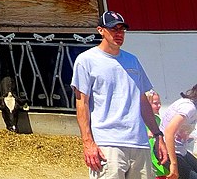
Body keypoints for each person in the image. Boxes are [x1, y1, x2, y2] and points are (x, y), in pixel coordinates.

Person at [71, 10, 168, 178]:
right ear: (100, 30)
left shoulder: (133, 60)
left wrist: (158, 135)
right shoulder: (86, 60)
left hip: (139, 143)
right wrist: (88, 142)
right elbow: (82, 103)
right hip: (107, 144)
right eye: (114, 29)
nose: (119, 34)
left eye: (122, 29)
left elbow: (142, 100)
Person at [159, 83, 197, 179]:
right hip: (167, 151)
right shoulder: (188, 108)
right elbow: (168, 132)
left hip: (181, 150)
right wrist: (173, 164)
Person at [147, 90, 168, 178]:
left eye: (159, 103)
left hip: (157, 154)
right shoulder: (141, 120)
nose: (159, 106)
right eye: (155, 103)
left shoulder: (157, 119)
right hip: (148, 156)